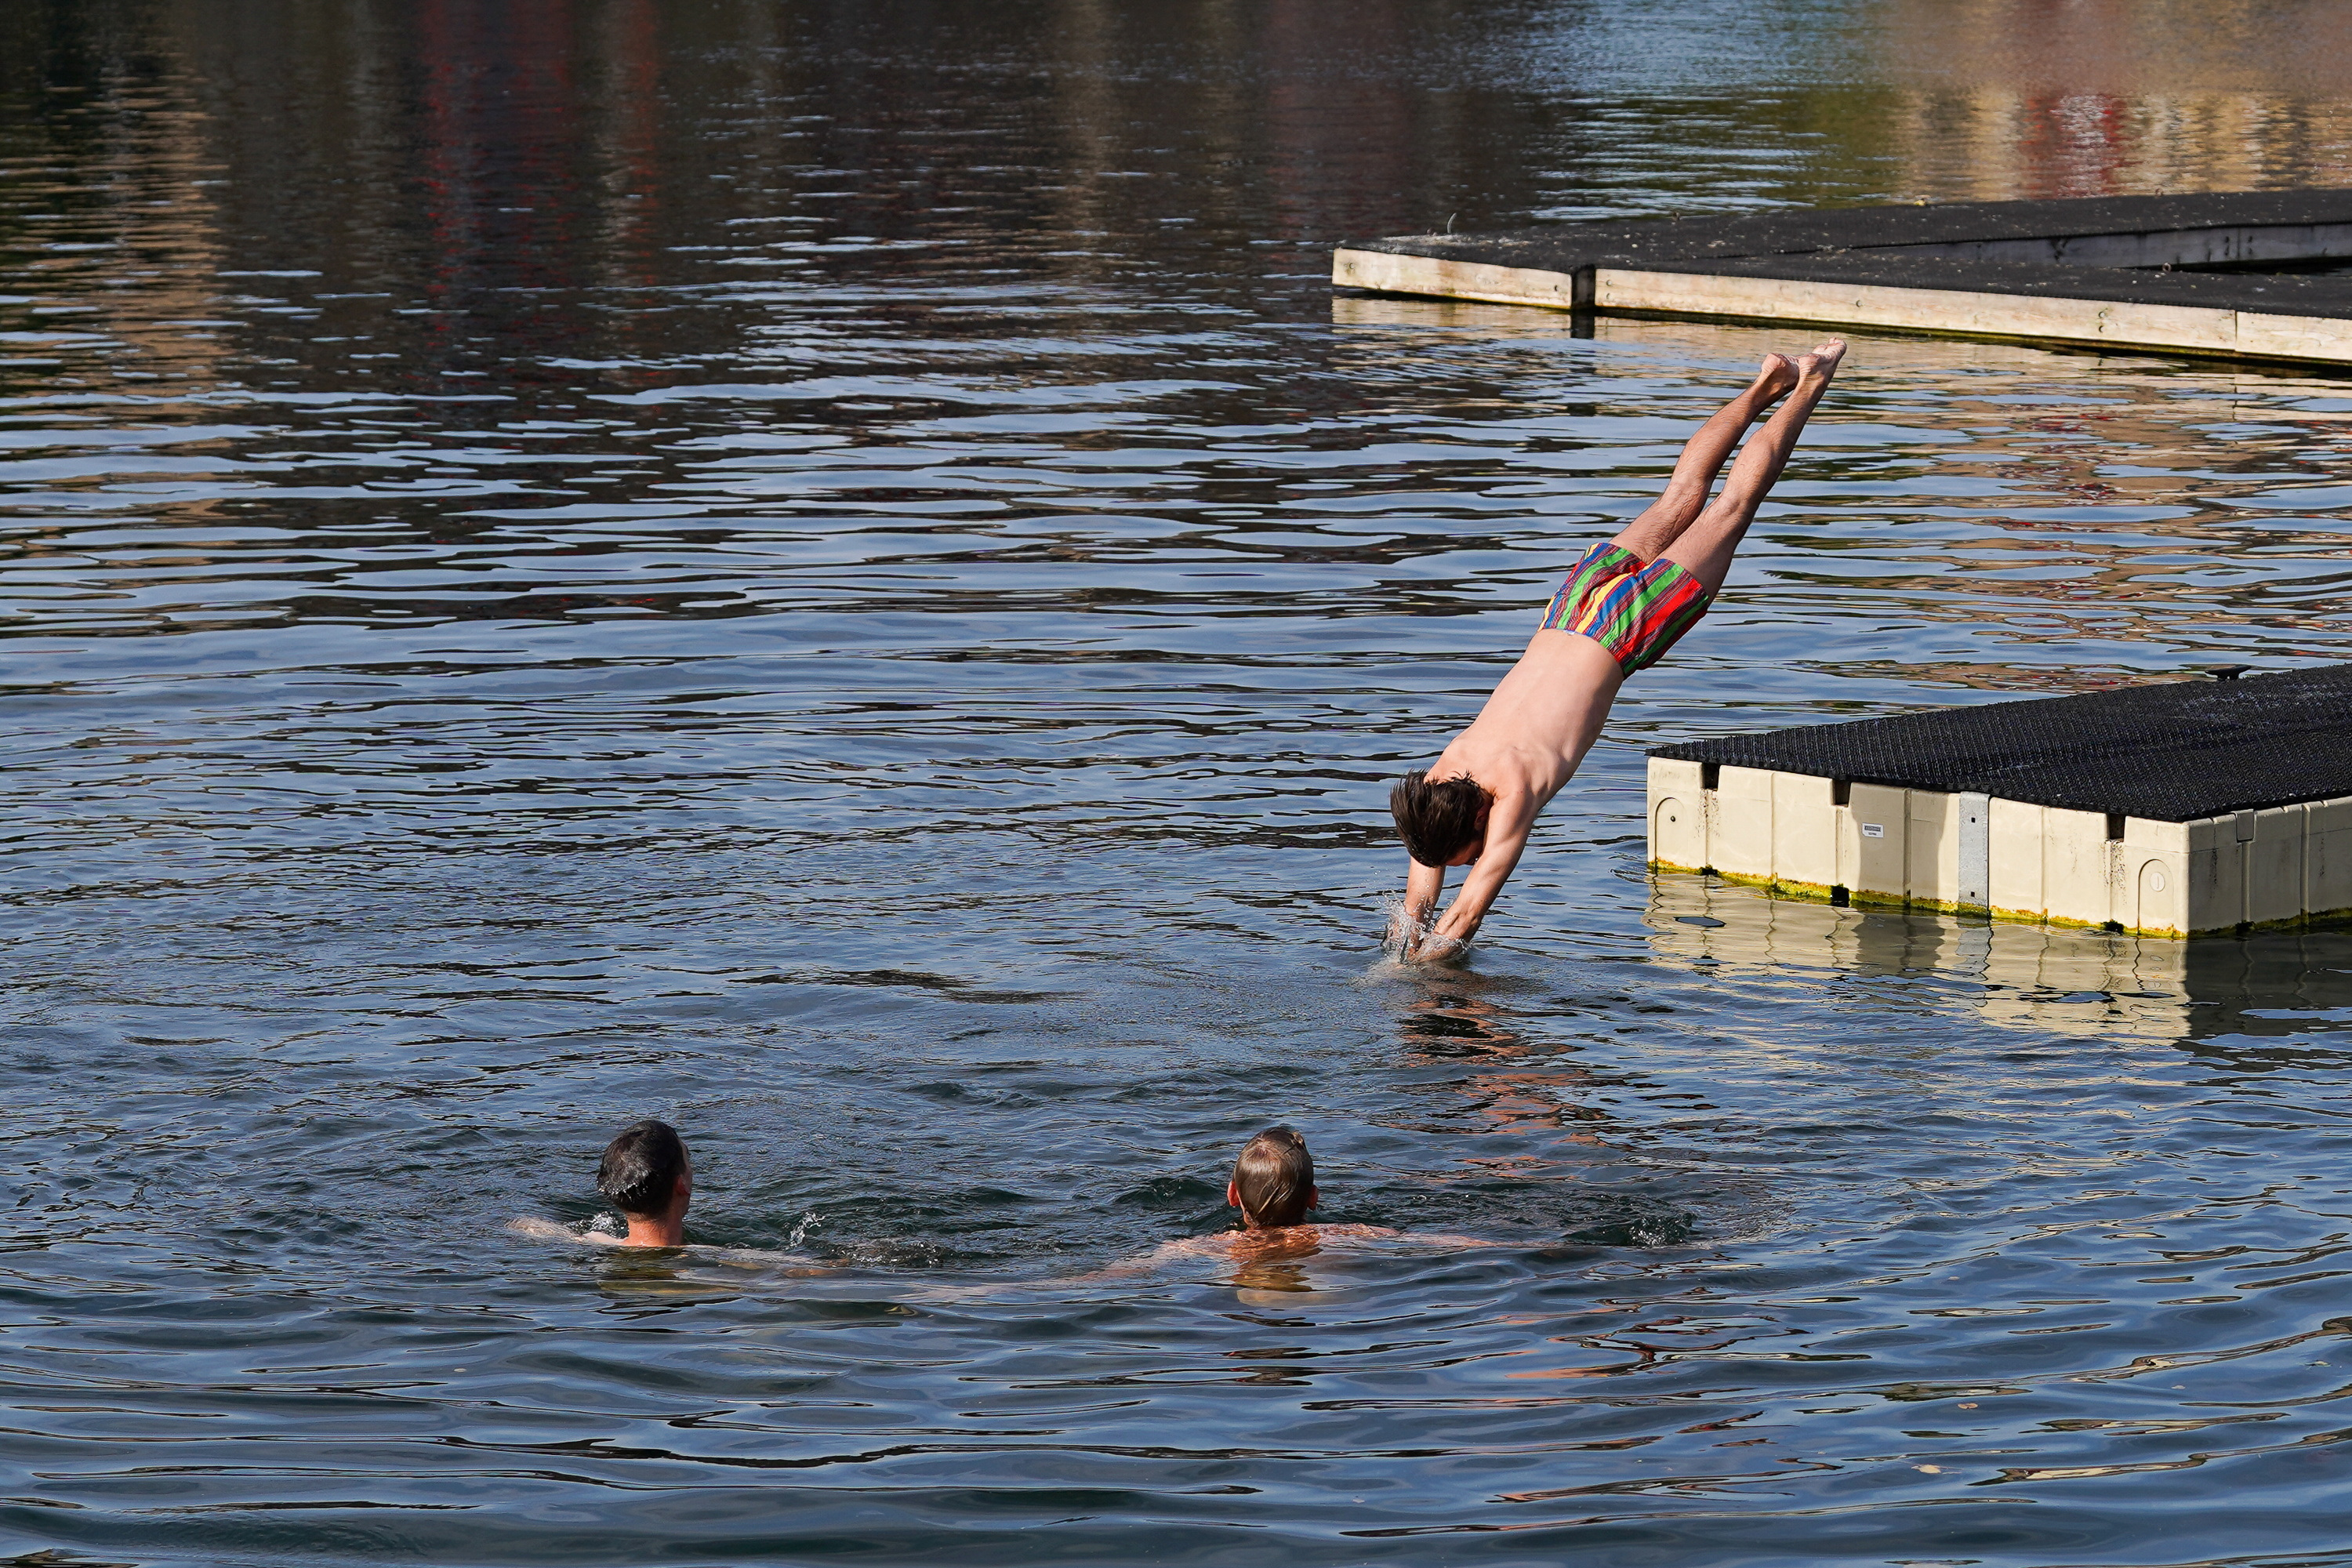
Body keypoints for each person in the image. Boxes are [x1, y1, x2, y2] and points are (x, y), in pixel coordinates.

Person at [1388, 341, 1849, 960]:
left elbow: (1464, 916)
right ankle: (1765, 385)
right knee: (1679, 497)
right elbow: (1419, 897)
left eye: (1466, 853)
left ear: (1475, 824)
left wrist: (1405, 986)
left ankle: (1810, 383)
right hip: (1570, 609)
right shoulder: (1446, 777)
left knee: (1732, 509)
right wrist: (1397, 948)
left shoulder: (1512, 793)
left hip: (1621, 631)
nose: (1459, 866)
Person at [1091, 1127, 1486, 1279]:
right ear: (1314, 1199)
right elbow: (1440, 1242)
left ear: (1232, 1196)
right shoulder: (1346, 1235)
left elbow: (1126, 1272)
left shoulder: (1211, 1247)